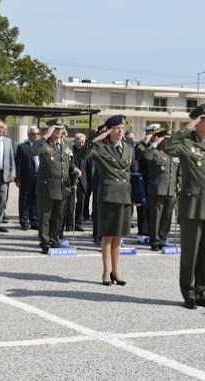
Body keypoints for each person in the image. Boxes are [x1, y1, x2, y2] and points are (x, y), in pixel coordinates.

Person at [162, 103, 205, 309]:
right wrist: (185, 128)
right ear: (197, 122)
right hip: (192, 207)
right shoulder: (185, 144)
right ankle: (188, 292)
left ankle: (202, 290)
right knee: (190, 253)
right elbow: (168, 147)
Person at [82, 115, 134, 286]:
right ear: (110, 130)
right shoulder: (101, 148)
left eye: (122, 128)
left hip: (124, 195)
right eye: (117, 128)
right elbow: (83, 153)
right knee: (107, 236)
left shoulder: (128, 148)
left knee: (118, 236)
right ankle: (106, 271)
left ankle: (116, 271)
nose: (121, 131)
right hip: (108, 195)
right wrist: (98, 136)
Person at [31, 119, 80, 253]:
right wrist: (45, 136)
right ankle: (45, 242)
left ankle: (54, 240)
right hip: (47, 187)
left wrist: (74, 168)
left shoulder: (65, 145)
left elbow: (68, 163)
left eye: (61, 129)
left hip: (62, 187)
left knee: (58, 217)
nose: (59, 132)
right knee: (45, 217)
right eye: (56, 129)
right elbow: (33, 151)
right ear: (51, 130)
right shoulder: (43, 144)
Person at [136, 127, 180, 251]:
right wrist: (154, 143)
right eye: (165, 139)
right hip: (157, 190)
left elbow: (179, 171)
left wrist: (179, 183)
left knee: (167, 217)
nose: (168, 142)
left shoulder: (173, 154)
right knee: (156, 217)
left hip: (170, 190)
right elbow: (145, 155)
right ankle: (155, 241)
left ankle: (163, 238)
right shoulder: (154, 152)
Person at [15, 127, 40, 230]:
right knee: (24, 200)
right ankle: (24, 221)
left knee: (35, 200)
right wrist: (18, 179)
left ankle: (34, 220)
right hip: (26, 177)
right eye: (33, 134)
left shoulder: (41, 147)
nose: (36, 136)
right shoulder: (22, 147)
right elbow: (18, 164)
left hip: (38, 177)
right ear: (29, 135)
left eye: (37, 134)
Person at [67, 132, 88, 232]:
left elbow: (89, 167)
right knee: (71, 204)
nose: (81, 144)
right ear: (75, 141)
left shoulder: (86, 152)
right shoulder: (69, 150)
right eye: (79, 142)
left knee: (81, 204)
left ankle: (78, 223)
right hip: (72, 180)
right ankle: (70, 224)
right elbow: (68, 163)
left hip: (83, 181)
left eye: (83, 142)